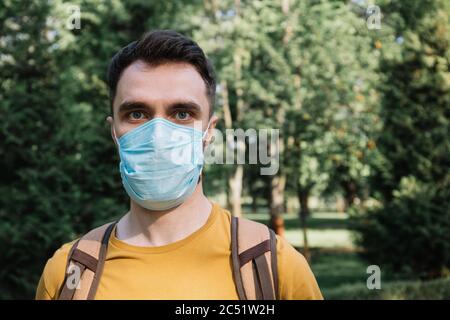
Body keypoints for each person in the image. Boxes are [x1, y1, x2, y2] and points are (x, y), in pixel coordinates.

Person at [35, 30, 323, 300]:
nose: (158, 134)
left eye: (182, 113)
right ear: (114, 131)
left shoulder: (273, 267)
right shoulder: (69, 274)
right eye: (137, 113)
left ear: (209, 131)